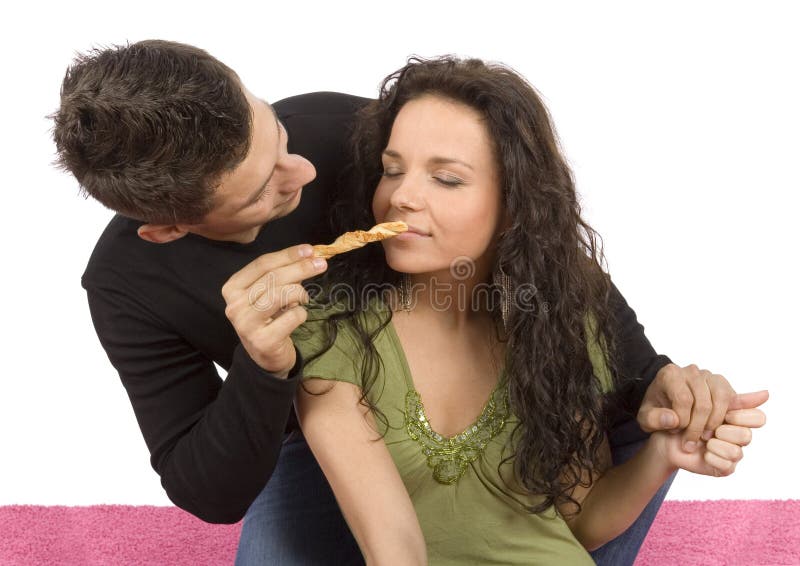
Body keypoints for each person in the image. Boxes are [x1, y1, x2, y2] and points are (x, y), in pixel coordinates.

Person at [51, 40, 763, 565]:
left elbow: (529, 239)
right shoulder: (129, 288)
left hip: (517, 377)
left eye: (278, 135)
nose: (304, 169)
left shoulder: (339, 128)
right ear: (170, 229)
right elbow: (209, 491)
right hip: (330, 418)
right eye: (265, 188)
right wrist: (264, 367)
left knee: (639, 415)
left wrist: (657, 379)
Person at [292, 56, 767, 564]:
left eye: (446, 179)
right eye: (392, 170)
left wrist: (663, 455)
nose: (401, 197)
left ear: (513, 203)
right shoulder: (330, 330)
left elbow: (582, 521)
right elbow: (394, 548)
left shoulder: (557, 323)